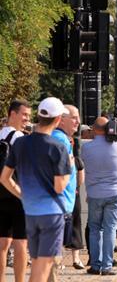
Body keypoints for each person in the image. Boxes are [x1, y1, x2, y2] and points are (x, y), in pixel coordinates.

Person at [1, 97, 71, 282]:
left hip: (28, 209)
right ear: (57, 120)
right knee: (41, 263)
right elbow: (59, 186)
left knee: (30, 258)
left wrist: (24, 195)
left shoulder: (21, 143)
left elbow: (4, 178)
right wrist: (69, 171)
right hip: (49, 211)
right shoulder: (57, 147)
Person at [81, 117, 117, 276]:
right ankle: (107, 265)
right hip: (115, 193)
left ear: (94, 130)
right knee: (110, 228)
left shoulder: (86, 148)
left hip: (95, 194)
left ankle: (95, 265)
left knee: (95, 228)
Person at [51, 105, 85, 273]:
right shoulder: (59, 139)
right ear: (61, 119)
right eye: (74, 117)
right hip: (60, 202)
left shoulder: (64, 139)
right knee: (52, 254)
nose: (78, 121)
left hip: (65, 200)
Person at [0, 99, 31, 282]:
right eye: (24, 114)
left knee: (2, 243)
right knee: (21, 242)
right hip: (18, 194)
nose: (27, 119)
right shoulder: (20, 139)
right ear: (13, 114)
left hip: (0, 196)